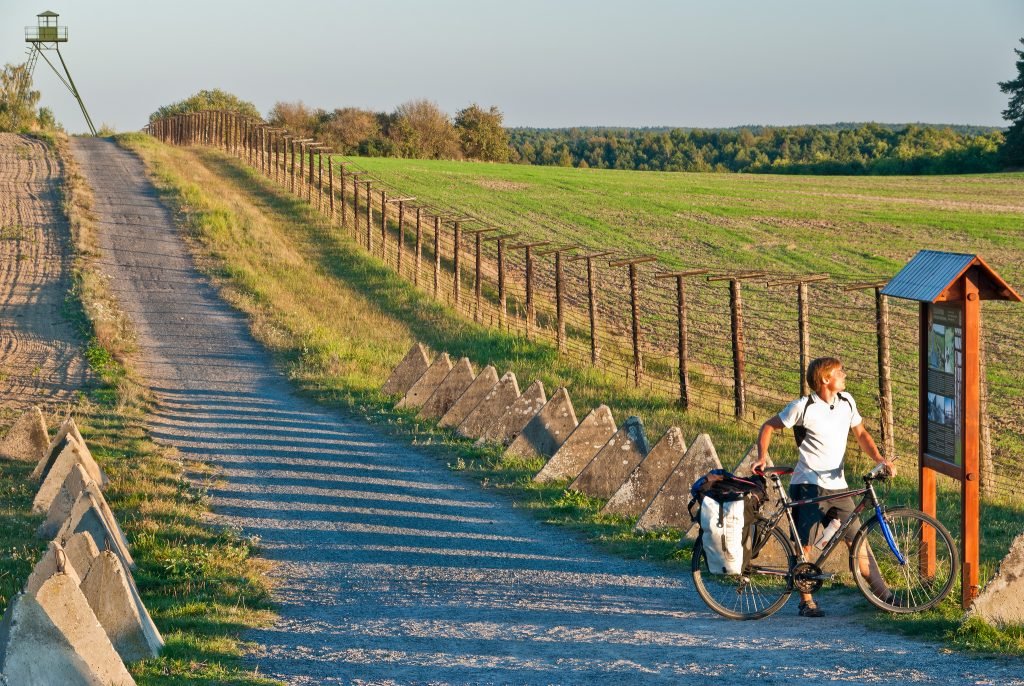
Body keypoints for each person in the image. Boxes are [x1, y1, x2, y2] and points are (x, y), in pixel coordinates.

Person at [754, 356, 896, 617]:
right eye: (839, 372)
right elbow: (768, 426)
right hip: (808, 484)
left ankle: (886, 597)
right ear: (825, 379)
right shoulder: (803, 407)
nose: (844, 374)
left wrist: (879, 459)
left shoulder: (847, 402)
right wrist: (762, 457)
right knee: (804, 546)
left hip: (838, 486)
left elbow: (862, 434)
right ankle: (806, 601)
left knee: (858, 540)